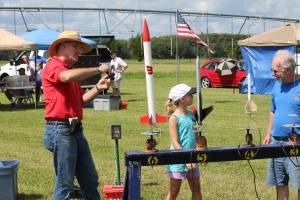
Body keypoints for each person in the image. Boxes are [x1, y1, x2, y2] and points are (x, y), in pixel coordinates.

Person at [42, 30, 111, 200]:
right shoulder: (54, 66)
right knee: (65, 185)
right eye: (76, 47)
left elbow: (80, 100)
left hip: (75, 130)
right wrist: (97, 68)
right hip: (61, 130)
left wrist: (98, 88)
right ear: (63, 46)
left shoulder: (69, 71)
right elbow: (65, 77)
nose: (79, 52)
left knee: (90, 180)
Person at [263, 50, 300, 200]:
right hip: (275, 143)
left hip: (296, 143)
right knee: (280, 183)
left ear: (288, 69)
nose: (273, 74)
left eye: (276, 70)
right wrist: (268, 133)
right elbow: (273, 111)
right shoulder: (277, 86)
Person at [165, 83, 202, 200]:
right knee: (174, 190)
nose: (192, 96)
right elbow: (175, 142)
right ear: (181, 99)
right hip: (178, 159)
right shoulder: (174, 118)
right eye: (190, 94)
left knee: (196, 189)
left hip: (192, 158)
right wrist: (185, 160)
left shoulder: (192, 115)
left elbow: (197, 138)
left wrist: (201, 152)